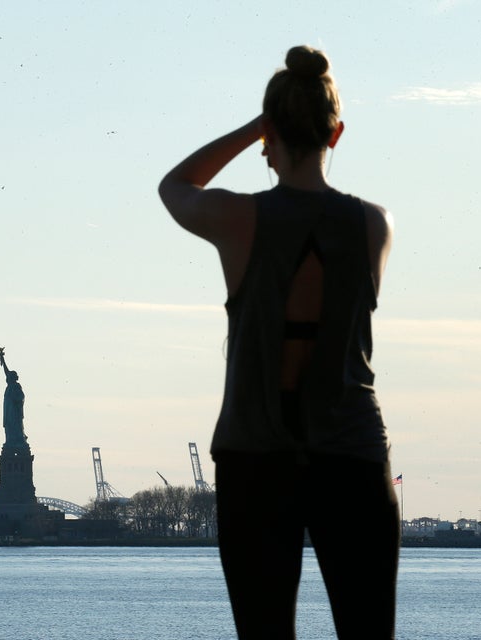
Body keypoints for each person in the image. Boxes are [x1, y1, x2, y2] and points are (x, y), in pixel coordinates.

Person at [158, 46, 399, 639]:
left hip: (255, 458)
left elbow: (175, 185)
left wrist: (252, 129)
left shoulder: (237, 220)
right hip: (353, 454)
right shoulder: (375, 225)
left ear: (270, 136)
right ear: (335, 134)